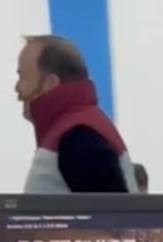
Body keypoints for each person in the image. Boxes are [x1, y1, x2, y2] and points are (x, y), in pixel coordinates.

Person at [15, 35, 136, 193]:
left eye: (22, 77)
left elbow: (109, 207)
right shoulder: (79, 128)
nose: (17, 88)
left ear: (49, 84)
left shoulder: (78, 136)